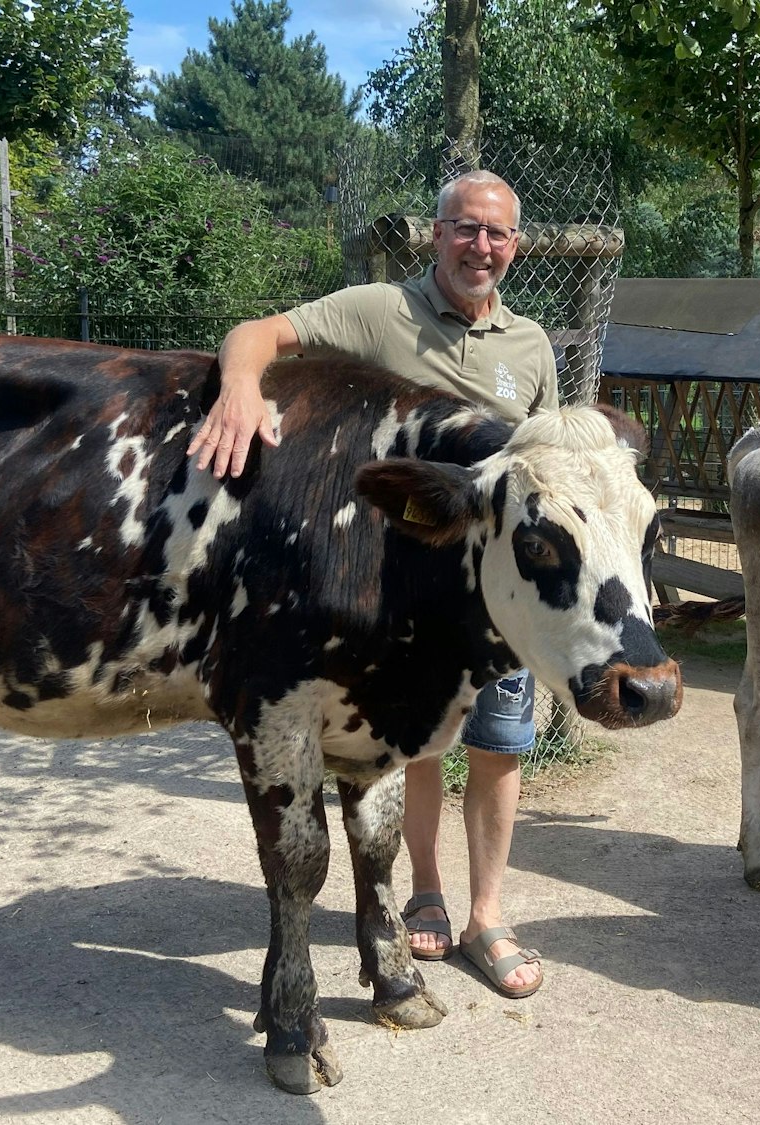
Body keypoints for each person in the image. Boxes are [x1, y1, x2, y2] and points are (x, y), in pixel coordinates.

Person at [190, 169, 555, 1000]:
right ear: (436, 234)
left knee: (501, 747)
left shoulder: (530, 347)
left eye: (497, 233)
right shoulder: (378, 311)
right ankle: (423, 892)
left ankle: (487, 914)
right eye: (465, 228)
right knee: (409, 748)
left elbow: (548, 460)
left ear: (516, 246)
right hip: (391, 593)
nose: (481, 246)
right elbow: (257, 332)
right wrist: (242, 386)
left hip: (504, 595)